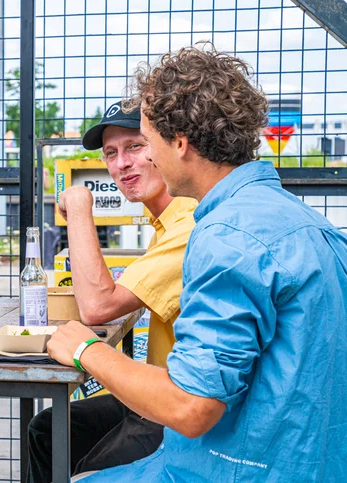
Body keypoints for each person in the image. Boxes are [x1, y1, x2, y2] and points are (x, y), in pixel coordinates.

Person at [47, 45, 347, 482]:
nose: (144, 157)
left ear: (180, 143)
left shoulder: (226, 236)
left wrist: (83, 348)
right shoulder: (309, 222)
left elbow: (191, 406)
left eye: (147, 143)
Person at [27, 102, 196, 481]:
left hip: (180, 405)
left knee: (90, 473)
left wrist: (80, 206)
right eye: (111, 153)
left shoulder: (188, 221)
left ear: (166, 146)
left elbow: (98, 306)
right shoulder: (163, 224)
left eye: (135, 146)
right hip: (156, 390)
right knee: (48, 429)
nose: (121, 164)